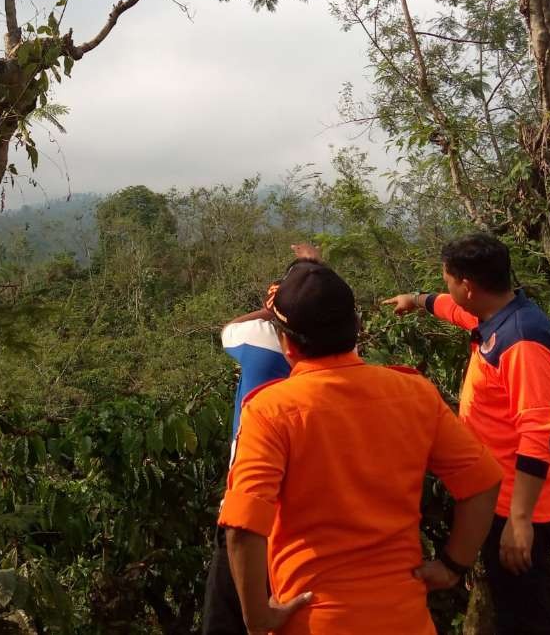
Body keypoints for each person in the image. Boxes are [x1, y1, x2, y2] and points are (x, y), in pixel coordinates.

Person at [220, 258, 503, 634]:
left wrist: (259, 619)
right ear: (357, 328)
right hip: (405, 619)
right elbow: (483, 483)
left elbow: (242, 527)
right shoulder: (413, 392)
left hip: (314, 620)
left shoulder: (272, 410)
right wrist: (453, 564)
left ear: (287, 344)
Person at [384, 232, 550, 635]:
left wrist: (520, 520)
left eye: (449, 280)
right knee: (517, 598)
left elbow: (542, 432)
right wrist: (416, 300)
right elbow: (452, 310)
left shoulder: (522, 340)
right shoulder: (495, 315)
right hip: (498, 489)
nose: (448, 289)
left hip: (518, 501)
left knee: (527, 608)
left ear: (468, 286)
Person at [202, 244, 319, 635]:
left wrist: (269, 311)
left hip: (250, 508)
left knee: (227, 618)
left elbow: (227, 330)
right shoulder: (345, 353)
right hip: (312, 518)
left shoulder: (257, 340)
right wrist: (312, 276)